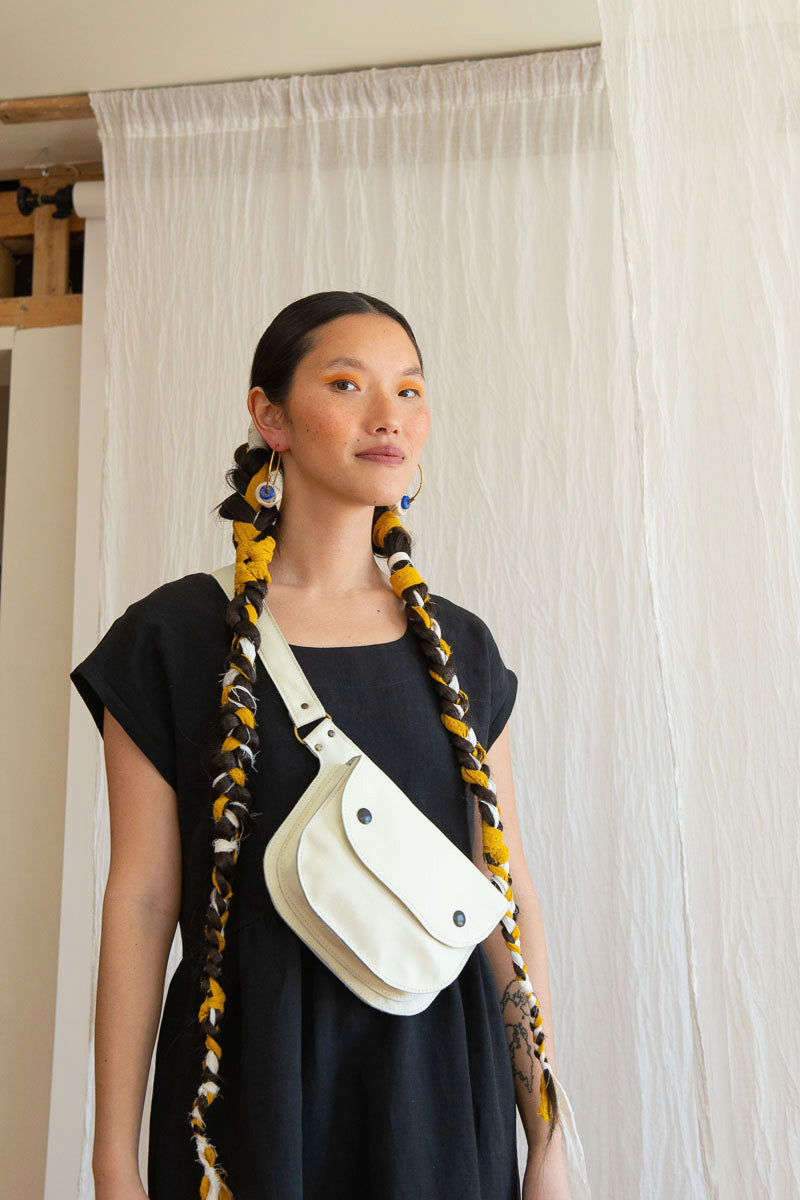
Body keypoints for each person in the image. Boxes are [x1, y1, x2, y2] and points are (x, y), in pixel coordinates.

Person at [71, 291, 571, 1200]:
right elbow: (142, 901)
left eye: (410, 391)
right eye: (347, 384)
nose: (389, 416)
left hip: (438, 1095)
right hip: (248, 1094)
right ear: (270, 418)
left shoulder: (459, 649)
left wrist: (547, 1143)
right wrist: (112, 1161)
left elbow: (502, 894)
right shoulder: (171, 640)